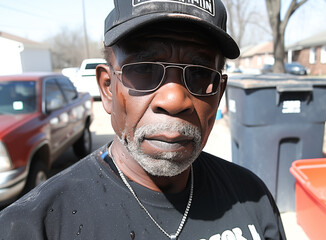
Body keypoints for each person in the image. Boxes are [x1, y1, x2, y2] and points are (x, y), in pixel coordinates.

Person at [0, 0, 286, 239]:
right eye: (144, 70)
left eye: (200, 74)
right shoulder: (33, 227)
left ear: (219, 93)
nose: (174, 100)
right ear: (107, 89)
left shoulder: (253, 198)